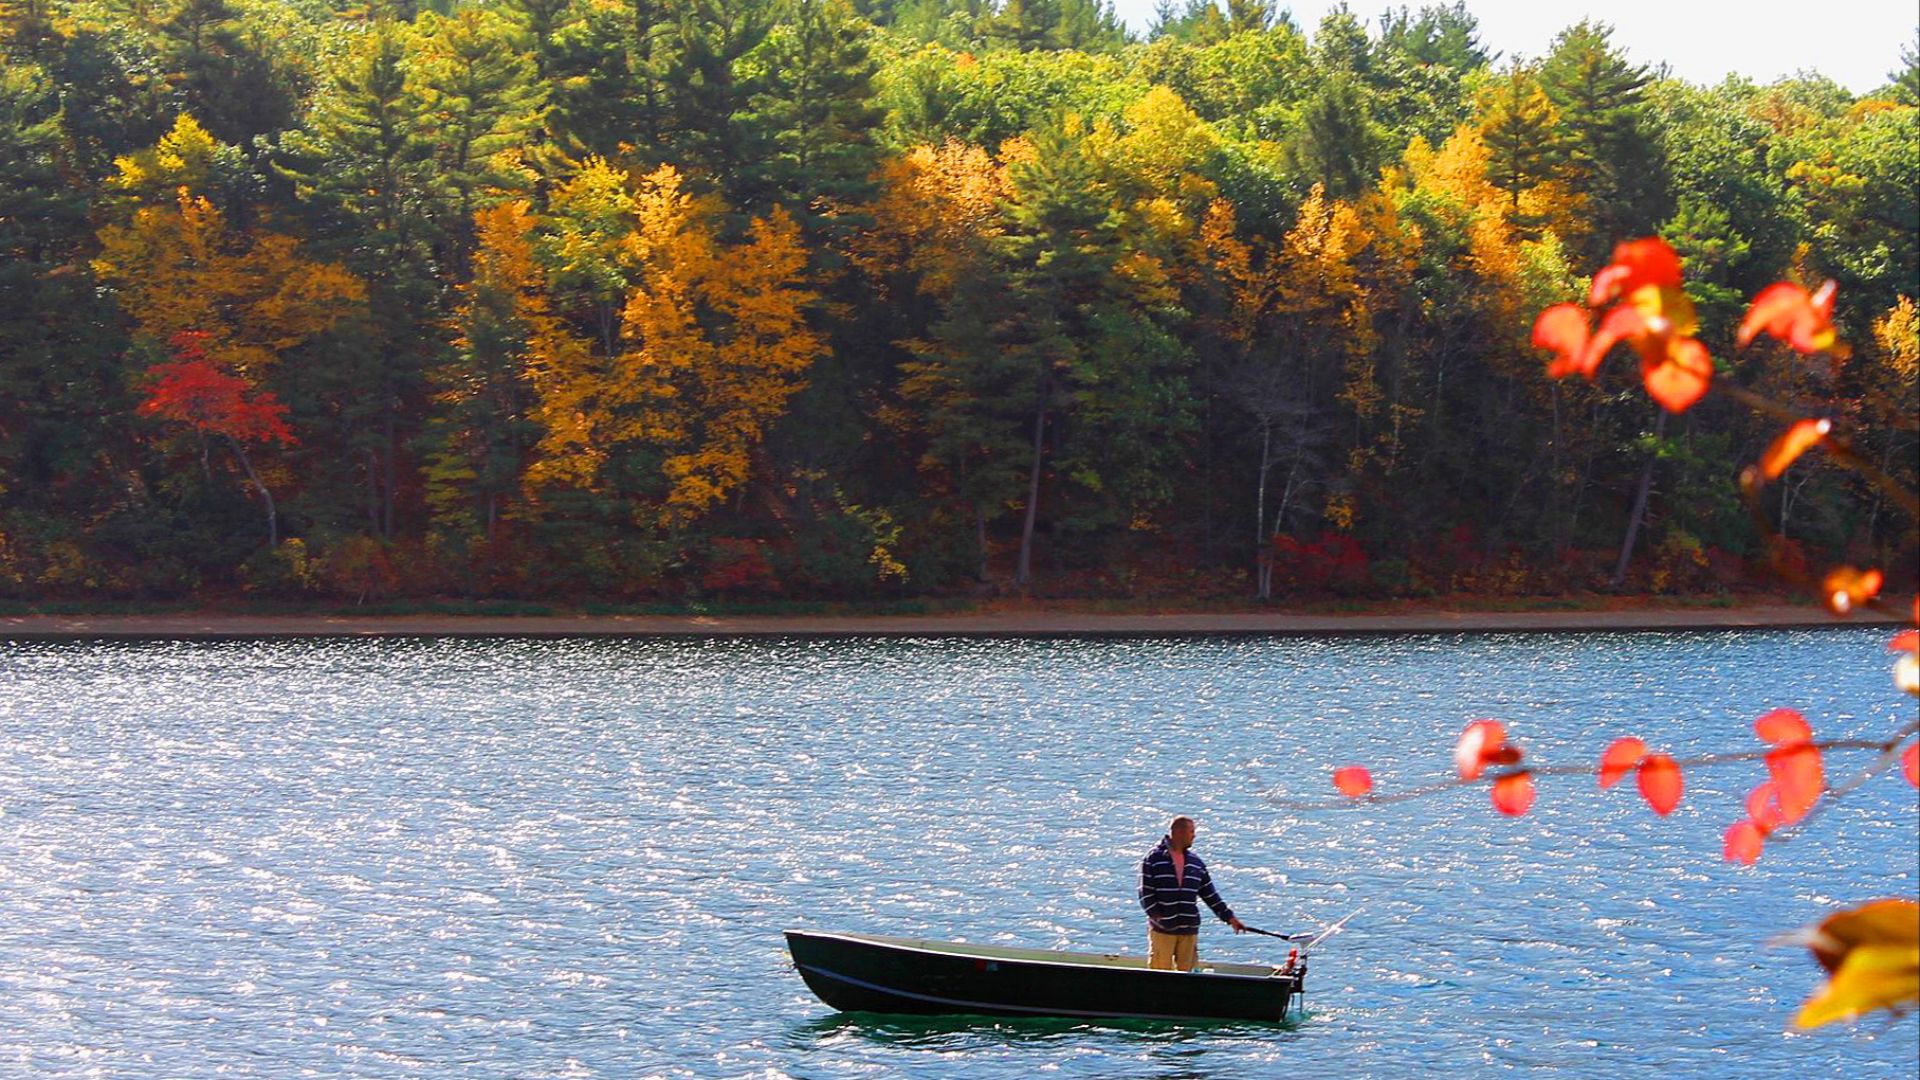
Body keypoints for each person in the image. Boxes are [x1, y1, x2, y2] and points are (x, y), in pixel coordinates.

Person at [1138, 815, 1245, 971]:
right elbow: (1145, 891)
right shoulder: (1154, 859)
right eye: (1191, 831)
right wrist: (1156, 914)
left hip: (1189, 929)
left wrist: (1230, 918)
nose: (1194, 835)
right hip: (1163, 930)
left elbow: (1210, 895)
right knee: (1159, 972)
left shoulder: (1196, 863)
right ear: (1178, 832)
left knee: (1188, 974)